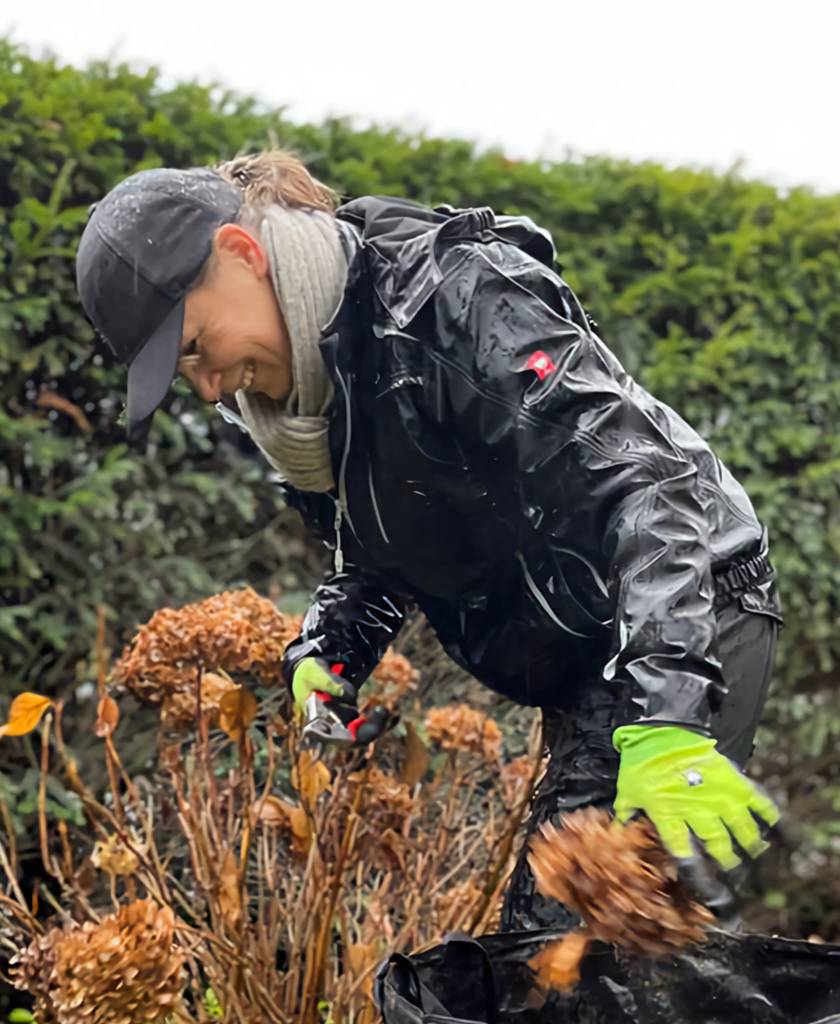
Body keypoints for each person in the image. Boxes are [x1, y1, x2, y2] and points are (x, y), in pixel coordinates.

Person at [75, 150, 783, 929]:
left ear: (241, 256)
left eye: (195, 346)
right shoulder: (304, 406)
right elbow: (386, 543)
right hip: (587, 651)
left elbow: (649, 482)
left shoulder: (451, 299)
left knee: (583, 948)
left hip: (682, 609)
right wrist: (329, 654)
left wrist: (669, 721)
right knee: (573, 953)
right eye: (184, 373)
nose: (208, 387)